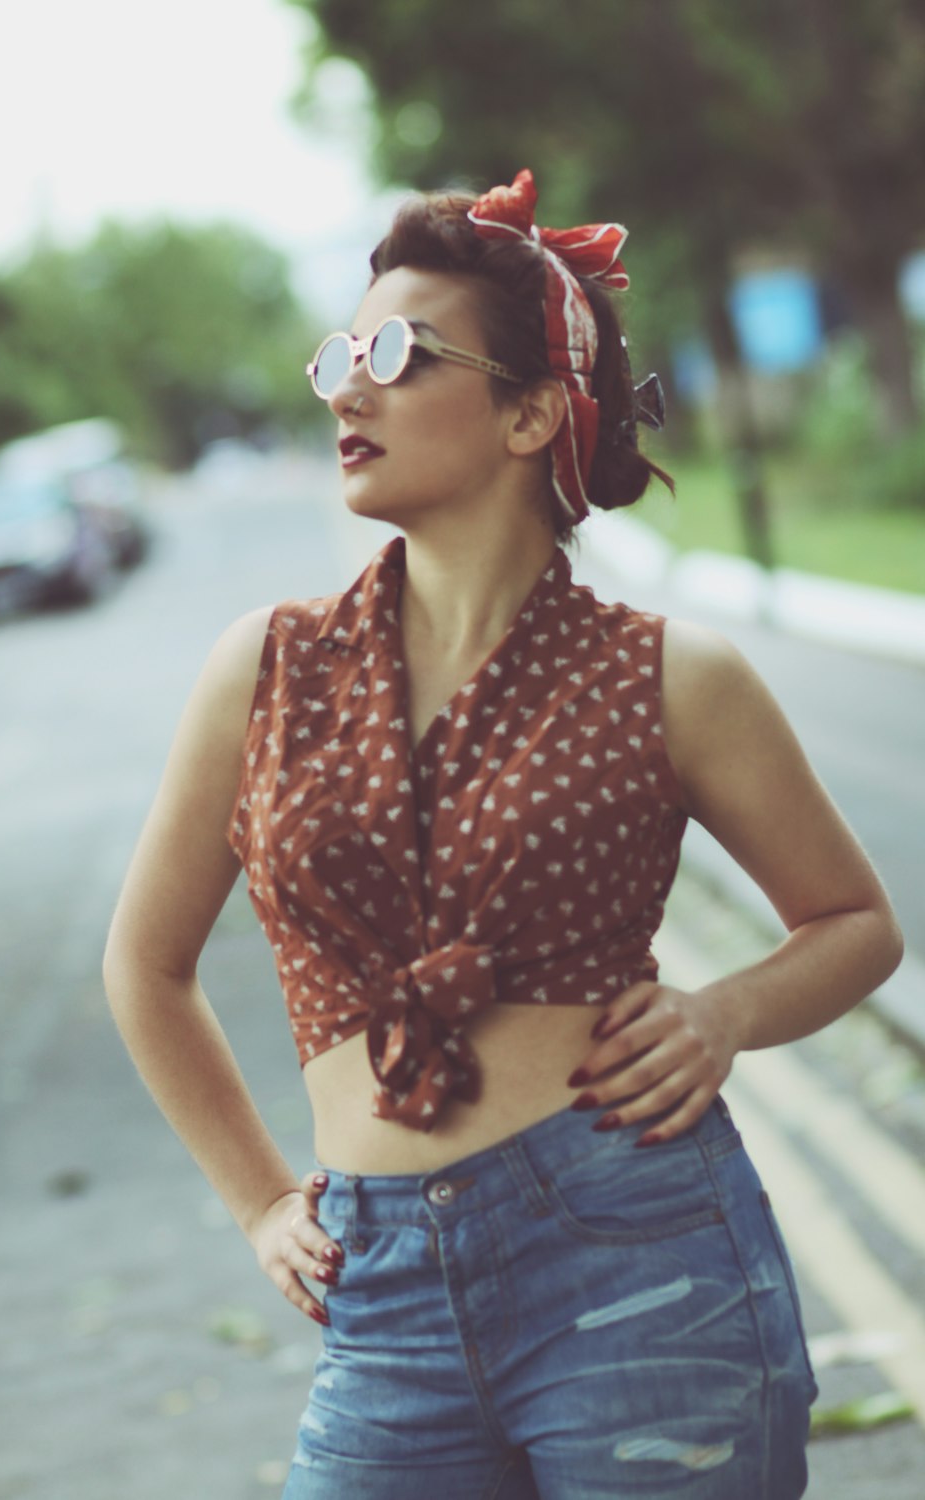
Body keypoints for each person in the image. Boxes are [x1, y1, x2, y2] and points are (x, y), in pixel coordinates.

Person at [103, 168, 903, 1499]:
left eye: (400, 353)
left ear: (534, 410)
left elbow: (855, 923)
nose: (348, 389)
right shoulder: (266, 668)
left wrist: (723, 1017)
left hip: (641, 1261)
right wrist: (256, 1200)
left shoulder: (672, 677)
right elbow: (146, 963)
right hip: (381, 1298)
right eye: (340, 354)